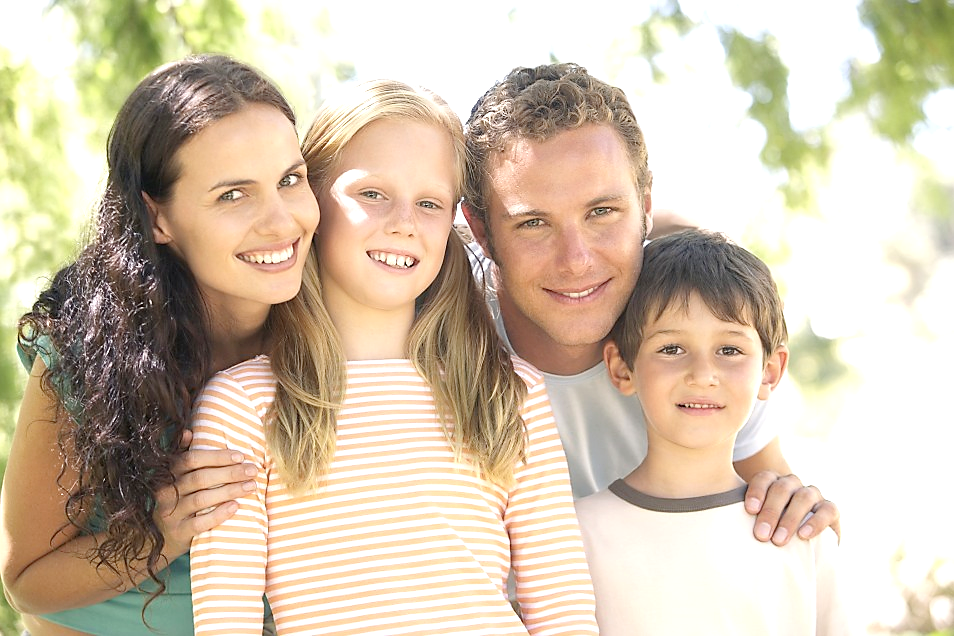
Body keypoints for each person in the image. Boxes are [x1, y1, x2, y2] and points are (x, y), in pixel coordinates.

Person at [187, 79, 598, 636]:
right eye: (372, 194)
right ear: (312, 204)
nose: (404, 221)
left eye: (429, 203)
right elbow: (224, 622)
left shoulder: (508, 392)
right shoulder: (244, 406)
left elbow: (563, 608)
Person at [0, 54, 320, 635]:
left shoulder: (340, 334)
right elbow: (26, 579)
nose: (282, 222)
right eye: (232, 195)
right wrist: (163, 531)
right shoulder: (88, 352)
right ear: (158, 218)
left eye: (289, 180)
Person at [460, 62, 839, 543]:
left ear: (644, 206)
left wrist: (796, 510)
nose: (575, 261)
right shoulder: (436, 337)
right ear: (480, 229)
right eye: (533, 223)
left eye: (602, 212)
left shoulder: (700, 336)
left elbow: (777, 504)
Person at [575, 229, 849, 634]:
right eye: (671, 349)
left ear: (769, 372)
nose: (703, 375)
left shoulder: (804, 539)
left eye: (729, 350)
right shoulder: (574, 536)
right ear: (621, 367)